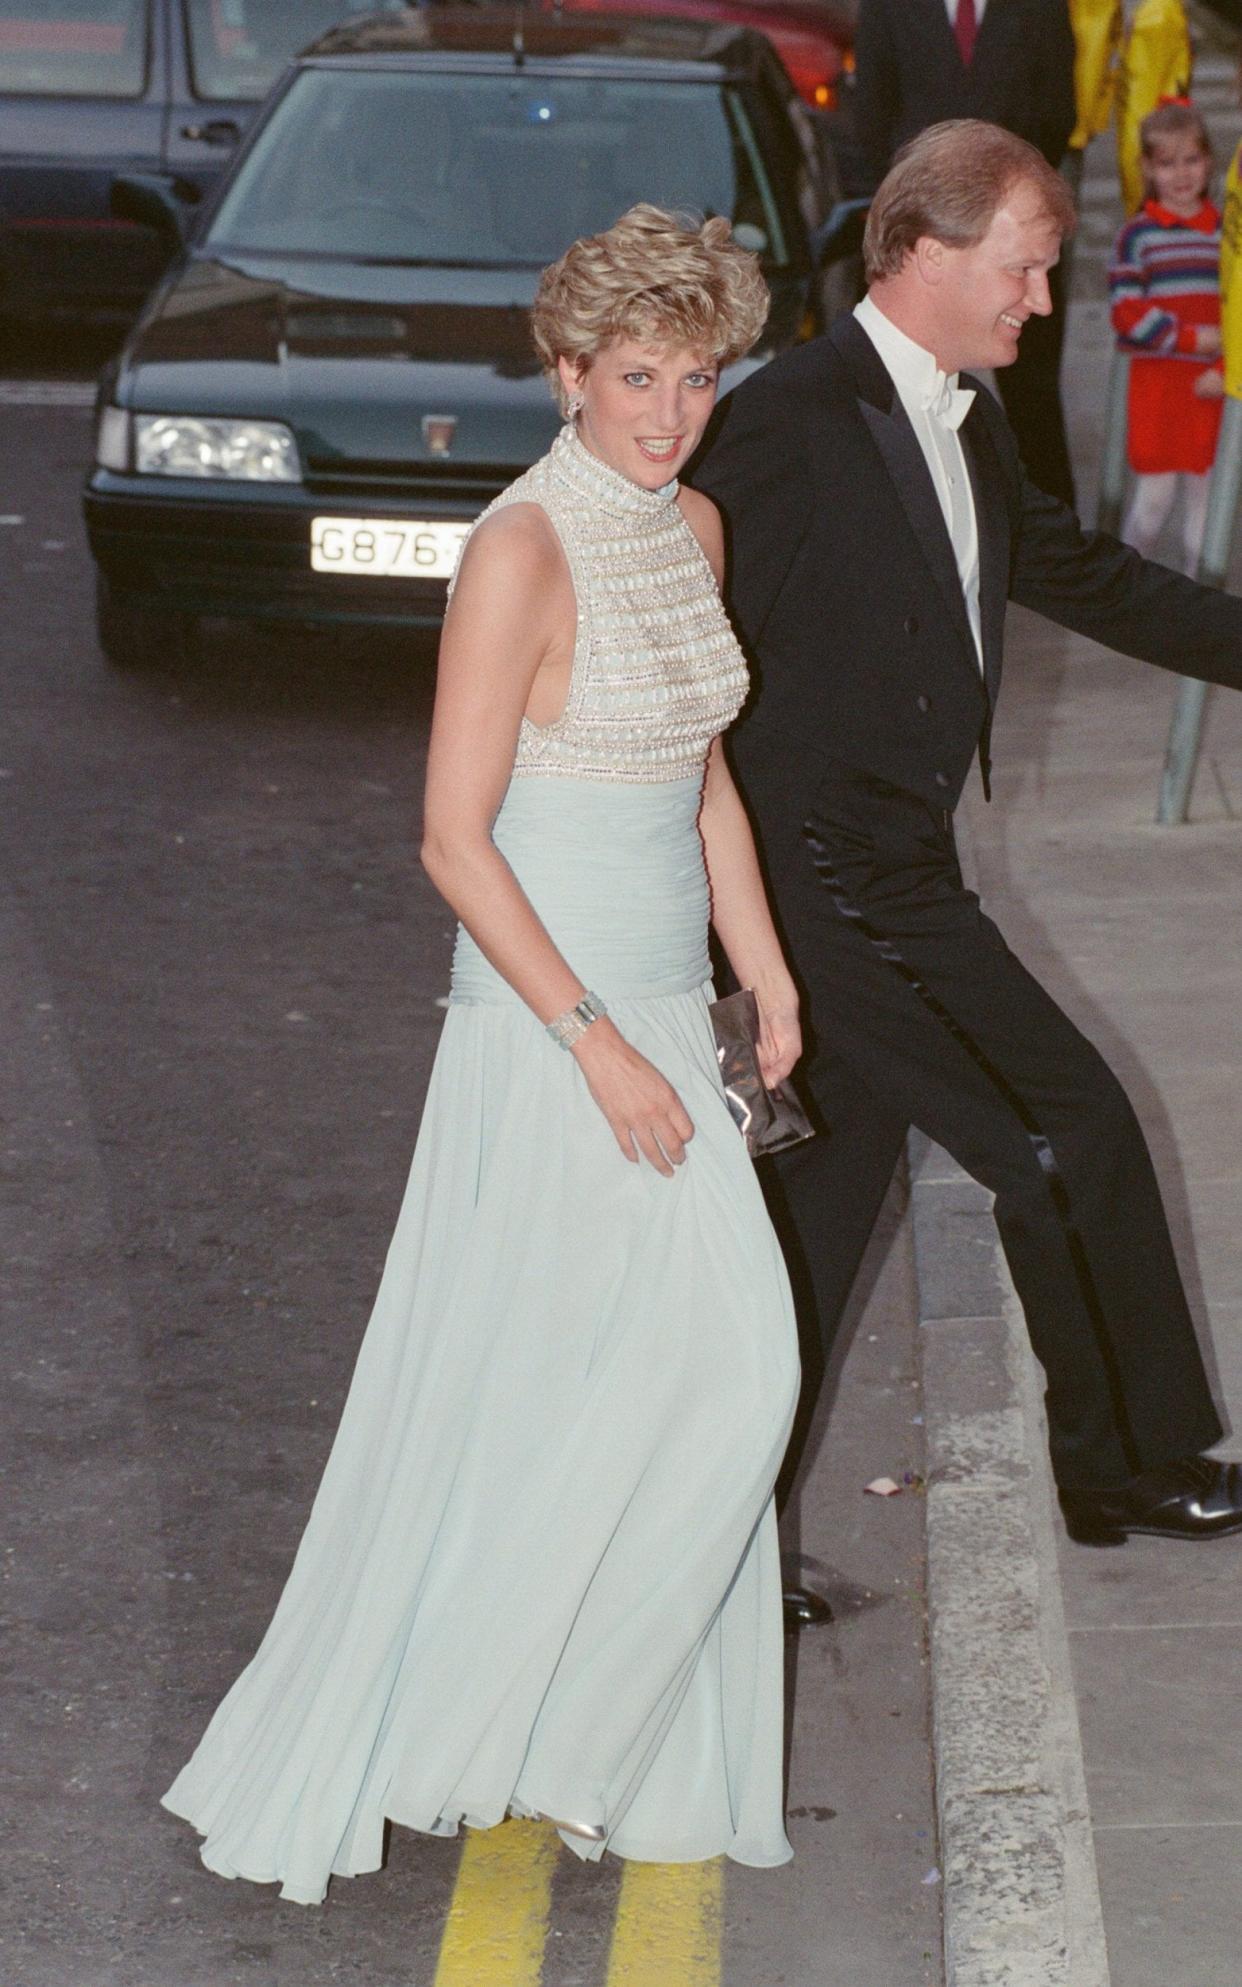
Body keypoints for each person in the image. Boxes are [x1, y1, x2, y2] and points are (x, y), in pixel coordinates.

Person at [162, 205, 804, 1903]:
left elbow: (701, 766)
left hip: (671, 1007)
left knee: (618, 1390)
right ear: (569, 375)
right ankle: (549, 1728)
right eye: (636, 378)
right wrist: (595, 1046)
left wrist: (765, 973)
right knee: (728, 1372)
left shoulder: (696, 527)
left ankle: (570, 1729)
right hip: (552, 1031)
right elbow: (452, 839)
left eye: (698, 376)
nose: (668, 413)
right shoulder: (521, 550)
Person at [692, 118, 1242, 1559]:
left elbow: (1082, 576)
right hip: (827, 887)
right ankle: (1129, 1464)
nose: (1038, 303)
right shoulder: (790, 419)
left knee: (805, 1245)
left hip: (894, 866)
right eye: (1022, 268)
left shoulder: (969, 415)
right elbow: (677, 657)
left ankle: (713, 1550)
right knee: (1064, 1128)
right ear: (923, 252)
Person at [852, 0, 1079, 508]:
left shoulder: (1039, 9)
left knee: (1034, 403)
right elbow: (872, 116)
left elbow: (1058, 112)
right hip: (925, 235)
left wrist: (1007, 203)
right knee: (906, 395)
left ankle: (1050, 537)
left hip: (1015, 232)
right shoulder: (888, 10)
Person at [1110, 98, 1224, 574]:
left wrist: (1224, 366)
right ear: (1148, 168)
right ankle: (1128, 579)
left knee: (1206, 497)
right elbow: (1126, 313)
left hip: (1212, 388)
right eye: (1167, 163)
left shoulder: (1225, 233)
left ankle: (1199, 592)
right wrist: (1193, 339)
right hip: (1159, 387)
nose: (1181, 174)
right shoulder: (1138, 236)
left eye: (1191, 160)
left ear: (1209, 162)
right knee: (1154, 499)